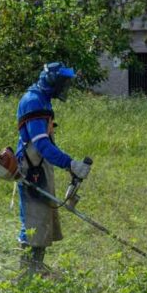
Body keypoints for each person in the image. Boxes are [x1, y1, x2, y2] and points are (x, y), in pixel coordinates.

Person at [15, 62, 91, 275]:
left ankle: (36, 268)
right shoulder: (33, 101)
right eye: (62, 82)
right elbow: (41, 143)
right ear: (51, 81)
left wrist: (68, 166)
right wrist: (69, 163)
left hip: (39, 165)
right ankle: (27, 273)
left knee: (43, 218)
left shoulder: (42, 99)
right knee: (34, 220)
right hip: (32, 169)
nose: (65, 87)